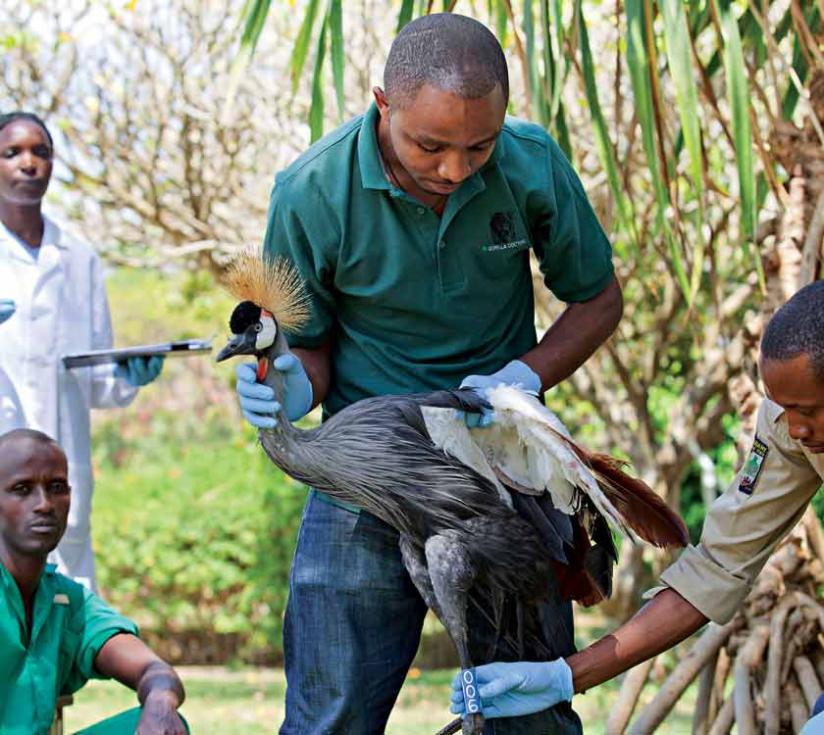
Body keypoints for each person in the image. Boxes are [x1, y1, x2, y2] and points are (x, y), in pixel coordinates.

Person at [234, 13, 623, 734]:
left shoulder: (531, 162)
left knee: (526, 710)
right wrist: (284, 388)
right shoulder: (311, 191)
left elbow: (598, 299)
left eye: (479, 146)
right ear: (383, 102)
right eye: (430, 144)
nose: (453, 169)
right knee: (330, 713)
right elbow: (308, 348)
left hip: (499, 463)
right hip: (368, 469)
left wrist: (522, 377)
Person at [448, 280, 824, 725]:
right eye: (784, 408)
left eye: (807, 410)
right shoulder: (789, 426)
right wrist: (564, 677)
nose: (795, 428)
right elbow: (718, 566)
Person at [0, 111, 164, 590]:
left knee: (65, 604)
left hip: (57, 465)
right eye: (13, 153)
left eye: (41, 152)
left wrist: (130, 374)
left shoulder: (79, 258)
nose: (29, 163)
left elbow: (98, 382)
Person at [0, 428, 187, 735]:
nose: (45, 504)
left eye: (57, 487)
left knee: (164, 726)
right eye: (22, 489)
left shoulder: (66, 602)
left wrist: (160, 701)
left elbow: (153, 671)